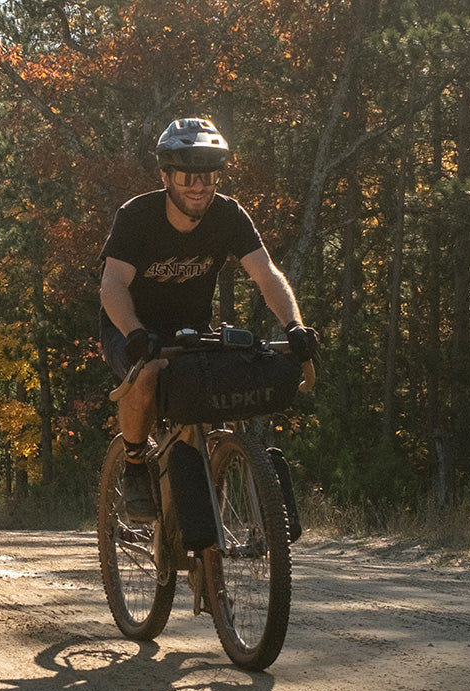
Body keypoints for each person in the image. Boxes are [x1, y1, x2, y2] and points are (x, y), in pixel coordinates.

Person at [98, 118, 318, 521]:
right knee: (146, 375)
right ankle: (133, 465)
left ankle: (222, 487)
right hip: (130, 327)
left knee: (234, 377)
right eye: (186, 175)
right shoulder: (137, 216)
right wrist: (135, 333)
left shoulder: (229, 215)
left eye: (208, 175)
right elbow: (112, 285)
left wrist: (294, 327)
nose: (198, 186)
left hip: (192, 330)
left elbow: (267, 275)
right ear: (166, 175)